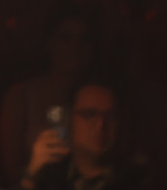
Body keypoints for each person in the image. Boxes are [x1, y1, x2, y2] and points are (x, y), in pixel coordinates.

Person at [20, 79, 148, 190]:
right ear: (70, 120)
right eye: (89, 114)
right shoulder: (51, 178)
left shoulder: (137, 179)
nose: (100, 125)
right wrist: (31, 174)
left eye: (109, 116)